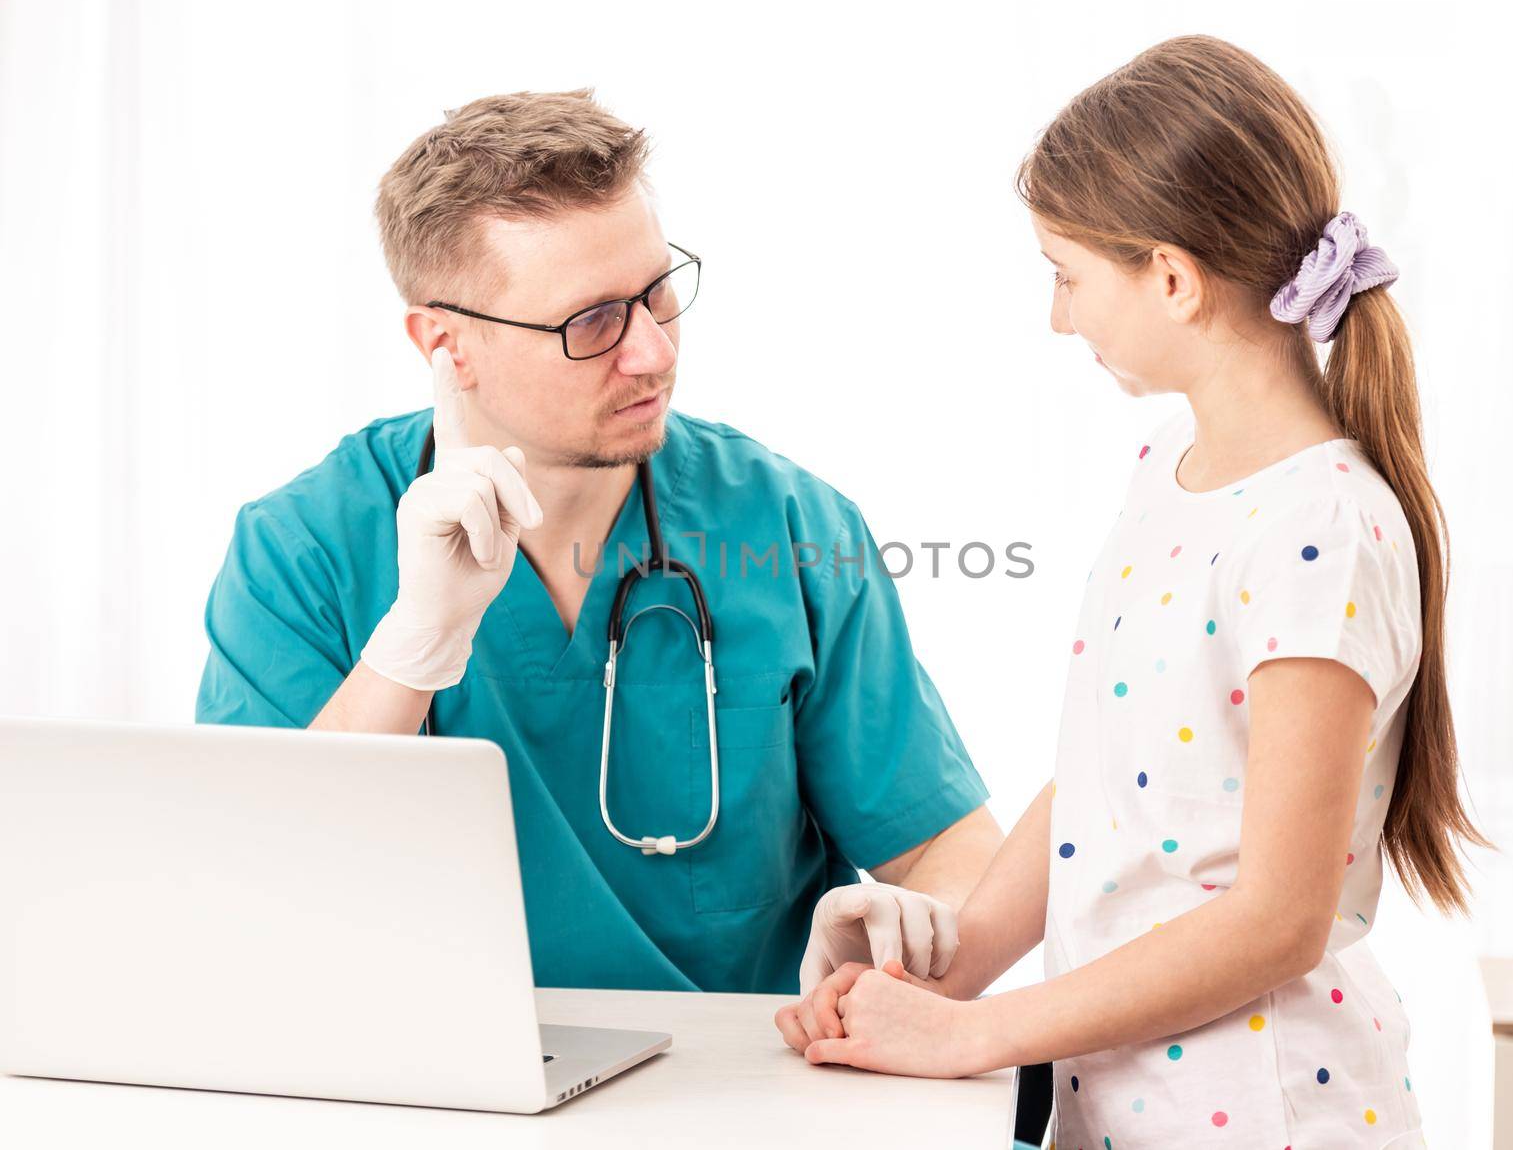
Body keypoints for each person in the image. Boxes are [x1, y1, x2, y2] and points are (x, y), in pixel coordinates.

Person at [776, 36, 1490, 1148]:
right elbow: (1107, 775)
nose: (1060, 317)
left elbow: (1278, 921)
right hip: (1117, 1107)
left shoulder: (1320, 531)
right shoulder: (1170, 469)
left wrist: (980, 1035)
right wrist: (947, 972)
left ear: (1169, 276)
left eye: (1067, 275)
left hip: (1264, 1116)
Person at [196, 89, 1002, 995]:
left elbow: (942, 843)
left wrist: (899, 956)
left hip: (738, 1095)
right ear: (445, 342)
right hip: (420, 1094)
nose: (653, 351)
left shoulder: (790, 527)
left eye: (659, 292)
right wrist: (412, 645)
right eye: (591, 323)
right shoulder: (301, 548)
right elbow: (252, 892)